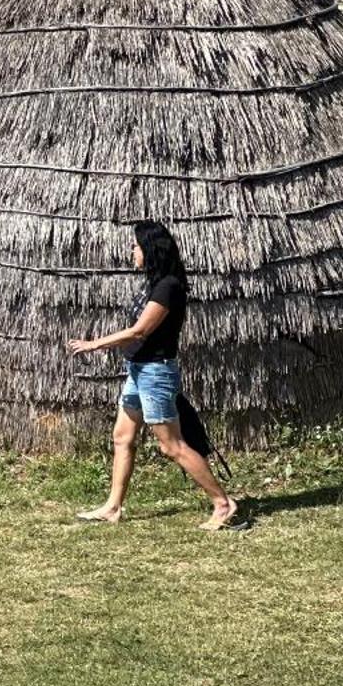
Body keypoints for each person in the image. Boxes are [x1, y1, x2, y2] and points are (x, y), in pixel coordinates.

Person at [65, 220, 240, 530]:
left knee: (171, 446)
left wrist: (94, 345)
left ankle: (223, 503)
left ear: (150, 249)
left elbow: (140, 330)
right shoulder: (153, 283)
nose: (133, 251)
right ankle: (113, 507)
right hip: (138, 371)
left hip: (155, 374)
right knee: (122, 437)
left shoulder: (168, 287)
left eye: (136, 246)